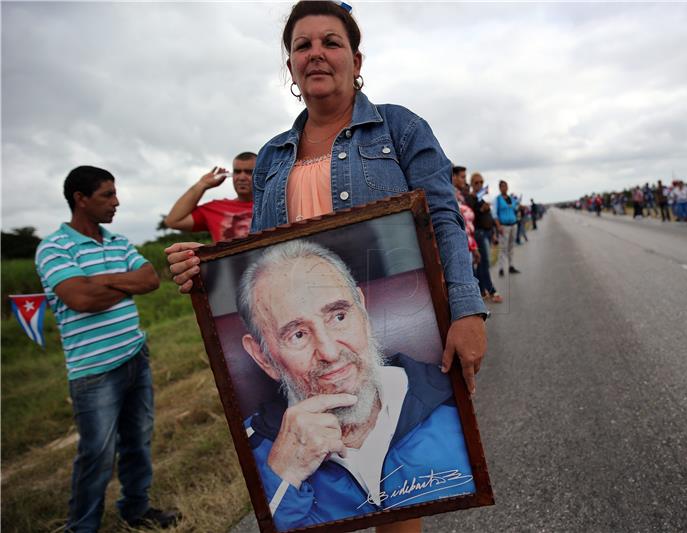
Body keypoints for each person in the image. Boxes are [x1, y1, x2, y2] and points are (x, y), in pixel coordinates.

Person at [165, 5, 487, 530]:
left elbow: (444, 221)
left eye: (331, 42)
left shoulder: (400, 128)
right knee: (321, 503)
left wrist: (467, 311)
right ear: (290, 65)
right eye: (302, 45)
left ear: (355, 59)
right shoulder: (272, 156)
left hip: (363, 351)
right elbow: (257, 254)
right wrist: (205, 270)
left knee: (400, 501)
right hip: (304, 363)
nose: (316, 53)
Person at [237, 240, 475, 531]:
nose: (330, 352)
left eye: (338, 316)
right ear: (263, 357)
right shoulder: (255, 446)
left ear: (361, 310)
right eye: (298, 334)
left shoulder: (449, 400)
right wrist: (283, 476)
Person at [35, 166, 178, 532]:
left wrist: (102, 280)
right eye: (107, 195)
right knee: (96, 454)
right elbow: (80, 298)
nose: (117, 202)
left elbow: (149, 279)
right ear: (80, 199)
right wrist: (119, 284)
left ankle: (136, 509)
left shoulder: (117, 242)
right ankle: (82, 527)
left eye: (115, 193)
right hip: (94, 370)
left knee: (138, 442)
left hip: (134, 356)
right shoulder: (53, 247)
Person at [164, 151, 256, 243]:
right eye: (237, 172)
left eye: (249, 172)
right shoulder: (217, 208)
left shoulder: (269, 206)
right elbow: (173, 221)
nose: (241, 177)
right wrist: (202, 184)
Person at [466, 172, 502, 303]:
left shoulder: (481, 198)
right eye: (476, 183)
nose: (479, 185)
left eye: (481, 182)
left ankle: (483, 290)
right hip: (478, 234)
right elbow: (470, 216)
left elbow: (489, 218)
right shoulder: (470, 198)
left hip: (487, 232)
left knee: (482, 264)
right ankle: (491, 290)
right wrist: (481, 209)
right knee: (484, 263)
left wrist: (493, 233)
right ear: (471, 184)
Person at [452, 166, 479, 263]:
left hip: (467, 243)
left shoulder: (459, 196)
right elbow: (463, 225)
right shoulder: (451, 196)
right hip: (462, 244)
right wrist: (473, 246)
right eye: (462, 177)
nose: (465, 180)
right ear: (453, 177)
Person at [494, 180, 520, 276]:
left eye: (506, 186)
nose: (504, 188)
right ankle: (501, 268)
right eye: (502, 186)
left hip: (513, 225)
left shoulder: (511, 199)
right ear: (500, 188)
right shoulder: (498, 199)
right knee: (503, 248)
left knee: (511, 246)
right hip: (504, 226)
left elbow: (515, 208)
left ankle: (511, 266)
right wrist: (498, 226)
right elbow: (494, 214)